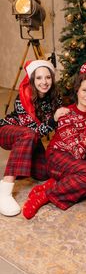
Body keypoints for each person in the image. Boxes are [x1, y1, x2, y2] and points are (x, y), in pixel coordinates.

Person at [22, 73, 86, 219]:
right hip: (58, 157)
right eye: (84, 90)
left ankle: (57, 184)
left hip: (81, 162)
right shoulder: (66, 114)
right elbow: (78, 153)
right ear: (77, 91)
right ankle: (45, 196)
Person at [0, 60, 69, 217]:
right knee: (28, 134)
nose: (44, 82)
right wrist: (53, 120)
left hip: (31, 138)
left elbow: (58, 127)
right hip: (8, 130)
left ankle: (22, 163)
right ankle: (5, 189)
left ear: (52, 78)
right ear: (32, 80)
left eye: (47, 78)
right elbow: (32, 131)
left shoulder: (56, 97)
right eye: (39, 78)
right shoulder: (23, 96)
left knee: (44, 173)